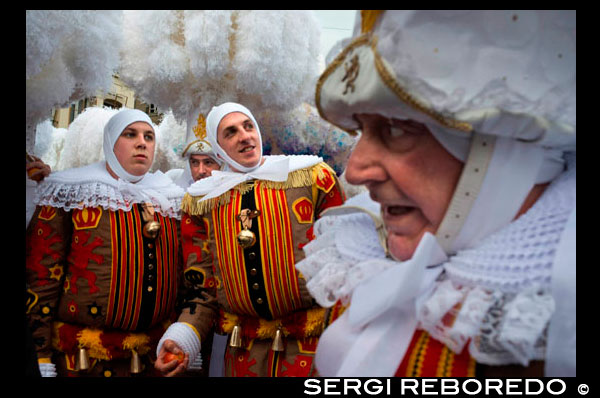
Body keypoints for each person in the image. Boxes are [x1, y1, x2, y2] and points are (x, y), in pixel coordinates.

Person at [296, 10, 575, 377]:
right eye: (362, 129)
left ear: (508, 149)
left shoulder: (545, 316)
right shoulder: (360, 256)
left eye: (396, 129)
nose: (356, 170)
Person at [154, 102, 346, 377]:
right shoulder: (202, 202)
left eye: (248, 126)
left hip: (312, 348)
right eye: (230, 132)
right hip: (243, 353)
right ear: (218, 148)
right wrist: (181, 342)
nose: (244, 136)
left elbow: (346, 264)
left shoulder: (313, 177)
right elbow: (204, 291)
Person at [26, 109, 185, 377]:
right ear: (110, 142)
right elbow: (41, 279)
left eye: (149, 136)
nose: (141, 142)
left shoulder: (169, 198)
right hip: (81, 361)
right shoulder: (70, 192)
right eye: (130, 134)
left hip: (150, 360)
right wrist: (40, 358)